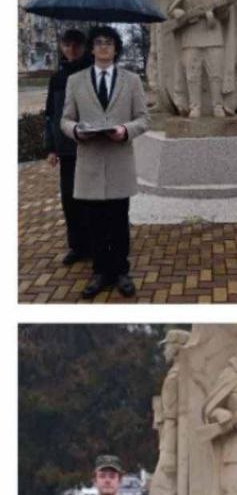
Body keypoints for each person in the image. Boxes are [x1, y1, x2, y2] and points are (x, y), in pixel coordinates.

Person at [60, 26, 148, 297]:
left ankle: (121, 271)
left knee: (119, 221)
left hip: (119, 160)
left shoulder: (131, 81)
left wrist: (125, 131)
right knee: (95, 222)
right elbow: (65, 119)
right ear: (92, 48)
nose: (103, 47)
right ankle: (100, 272)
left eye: (109, 43)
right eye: (98, 43)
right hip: (90, 162)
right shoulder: (75, 81)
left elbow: (144, 119)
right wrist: (75, 131)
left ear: (116, 48)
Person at [43, 28, 92, 266]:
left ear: (84, 47)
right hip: (66, 148)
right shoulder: (57, 77)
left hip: (91, 146)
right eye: (67, 45)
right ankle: (77, 246)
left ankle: (97, 244)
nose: (71, 49)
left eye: (76, 45)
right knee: (70, 201)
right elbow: (51, 114)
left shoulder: (91, 73)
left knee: (92, 200)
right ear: (61, 46)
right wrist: (51, 147)